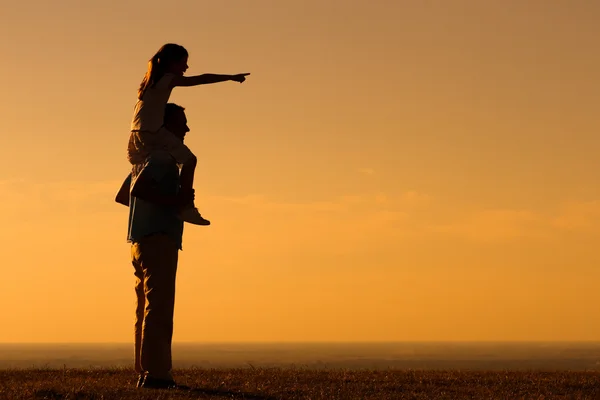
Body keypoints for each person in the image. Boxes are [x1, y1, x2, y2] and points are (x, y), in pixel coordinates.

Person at [127, 43, 250, 225]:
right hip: (153, 131)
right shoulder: (167, 78)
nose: (186, 68)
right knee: (189, 160)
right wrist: (230, 77)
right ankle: (186, 206)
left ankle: (161, 201)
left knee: (156, 164)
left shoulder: (149, 82)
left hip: (137, 133)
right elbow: (200, 79)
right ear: (171, 63)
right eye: (183, 63)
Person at [123, 103, 194, 389]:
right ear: (164, 128)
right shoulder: (164, 159)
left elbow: (125, 195)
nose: (187, 129)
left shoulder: (145, 159)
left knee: (144, 306)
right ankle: (156, 374)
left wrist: (154, 204)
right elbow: (139, 190)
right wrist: (174, 202)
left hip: (139, 240)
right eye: (181, 124)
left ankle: (145, 369)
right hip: (159, 238)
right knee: (159, 307)